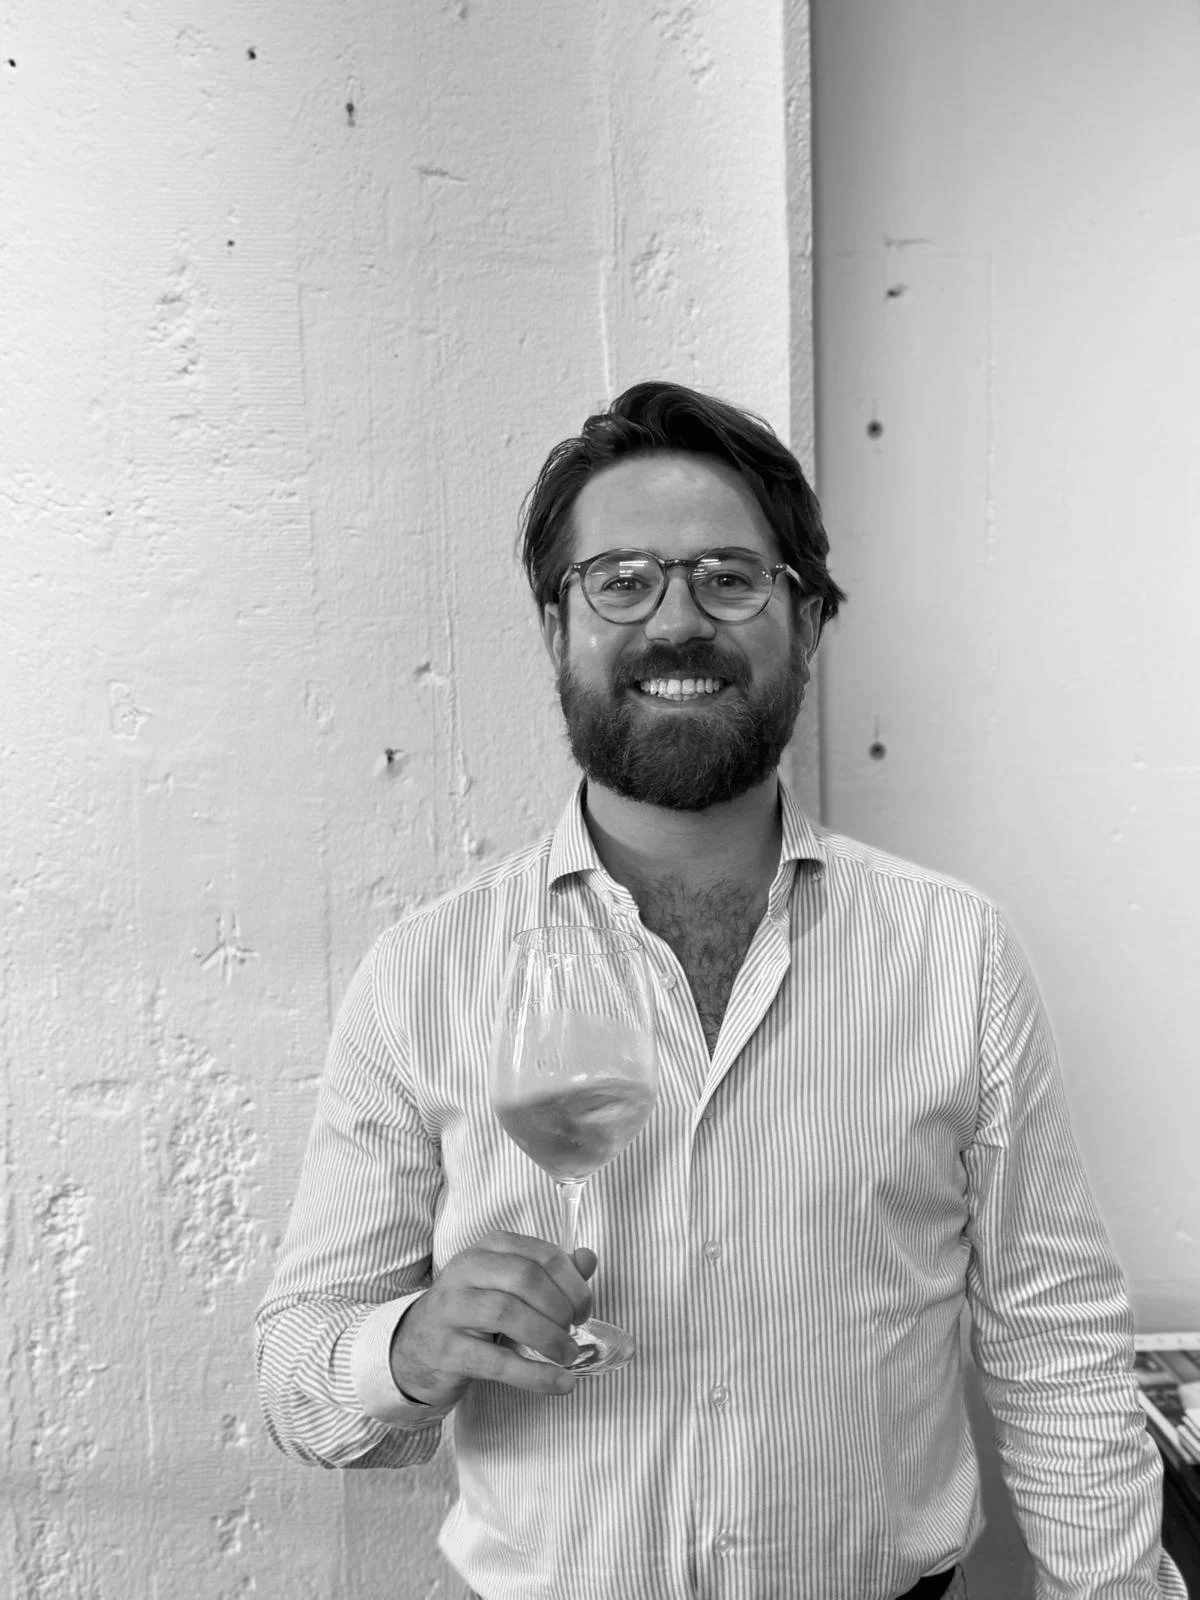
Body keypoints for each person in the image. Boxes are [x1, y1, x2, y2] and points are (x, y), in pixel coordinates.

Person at [256, 380, 1185, 1600]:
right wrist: (411, 1349)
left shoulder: (953, 953)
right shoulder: (425, 974)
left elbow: (1054, 1339)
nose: (677, 621)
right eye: (622, 580)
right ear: (557, 631)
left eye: (730, 578)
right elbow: (299, 1381)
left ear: (806, 625)